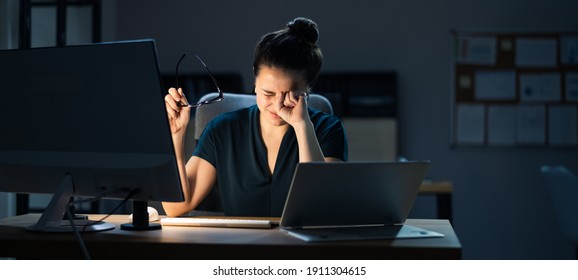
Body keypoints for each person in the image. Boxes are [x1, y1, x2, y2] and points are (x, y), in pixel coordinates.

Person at [162, 17, 348, 217]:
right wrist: (176, 135)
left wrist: (303, 126)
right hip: (239, 245)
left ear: (308, 87)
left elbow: (321, 208)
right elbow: (175, 207)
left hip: (300, 247)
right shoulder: (222, 130)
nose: (278, 105)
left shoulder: (328, 129)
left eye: (291, 95)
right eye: (268, 93)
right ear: (255, 79)